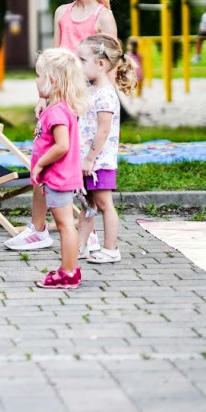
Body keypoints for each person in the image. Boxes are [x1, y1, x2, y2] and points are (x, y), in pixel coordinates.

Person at [10, 0, 118, 252]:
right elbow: (53, 60)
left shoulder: (103, 18)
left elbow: (108, 69)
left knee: (82, 171)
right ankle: (38, 228)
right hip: (60, 106)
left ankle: (89, 230)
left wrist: (100, 111)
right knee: (43, 162)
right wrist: (43, 99)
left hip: (86, 108)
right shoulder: (62, 13)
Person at [26, 48, 89, 289]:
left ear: (52, 80)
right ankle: (70, 268)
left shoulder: (57, 113)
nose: (36, 81)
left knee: (64, 226)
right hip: (58, 178)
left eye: (39, 76)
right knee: (65, 225)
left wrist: (41, 163)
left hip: (58, 178)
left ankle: (68, 272)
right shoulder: (59, 109)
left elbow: (62, 146)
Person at [75, 34, 139, 264]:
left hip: (98, 163)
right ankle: (79, 247)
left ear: (101, 64)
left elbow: (102, 132)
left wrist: (89, 159)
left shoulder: (105, 95)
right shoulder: (91, 91)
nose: (77, 64)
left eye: (82, 60)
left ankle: (111, 249)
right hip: (88, 162)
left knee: (104, 204)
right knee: (87, 205)